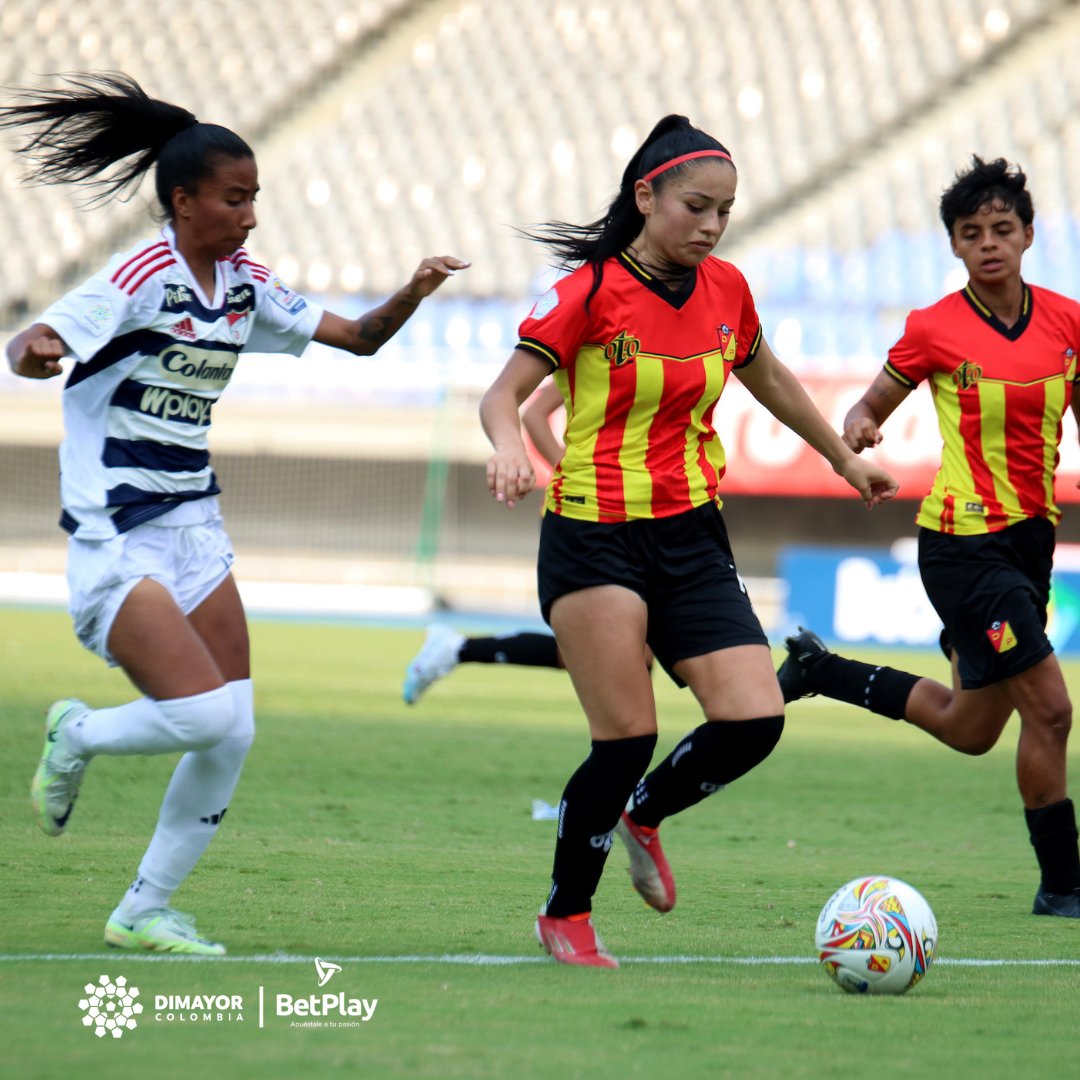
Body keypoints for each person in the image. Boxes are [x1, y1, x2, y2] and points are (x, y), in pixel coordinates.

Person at [3, 72, 468, 954]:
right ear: (183, 201)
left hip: (195, 528)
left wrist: (415, 288)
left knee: (234, 727)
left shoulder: (246, 284)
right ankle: (77, 732)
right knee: (206, 715)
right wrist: (40, 349)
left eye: (256, 197)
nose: (251, 215)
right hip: (116, 531)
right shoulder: (140, 275)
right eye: (235, 197)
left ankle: (142, 909)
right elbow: (39, 342)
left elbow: (359, 339)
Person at [479, 114, 898, 967]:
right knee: (625, 735)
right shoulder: (588, 293)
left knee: (755, 718)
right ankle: (566, 912)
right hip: (593, 533)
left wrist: (844, 461)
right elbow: (506, 396)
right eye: (697, 207)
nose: (710, 225)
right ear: (647, 196)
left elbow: (770, 377)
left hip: (692, 533)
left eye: (725, 212)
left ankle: (646, 814)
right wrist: (505, 450)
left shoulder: (729, 290)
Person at [777, 156, 1080, 920]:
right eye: (971, 232)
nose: (988, 244)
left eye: (1002, 229)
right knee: (1050, 709)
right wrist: (861, 432)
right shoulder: (935, 328)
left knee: (971, 728)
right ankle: (1064, 887)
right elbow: (867, 406)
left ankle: (822, 671)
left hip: (1029, 547)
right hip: (961, 545)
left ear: (1029, 235)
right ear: (953, 245)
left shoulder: (1067, 323)